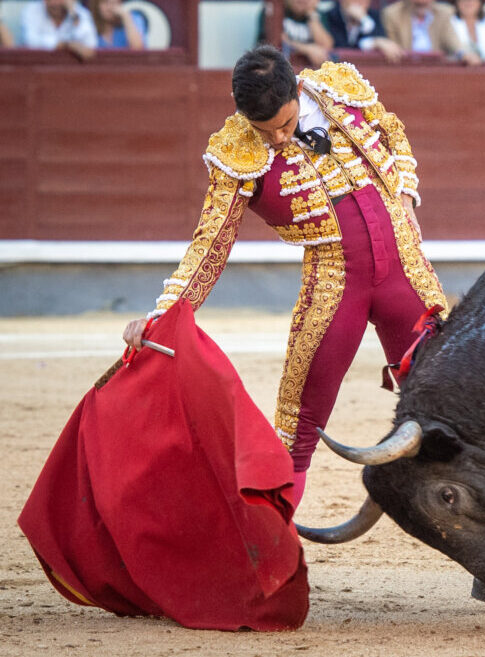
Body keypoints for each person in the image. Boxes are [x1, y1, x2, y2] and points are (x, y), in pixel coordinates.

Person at [121, 45, 449, 507]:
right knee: (297, 427)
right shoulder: (234, 150)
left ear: (296, 91)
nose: (276, 140)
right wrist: (163, 314)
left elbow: (392, 131)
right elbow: (211, 243)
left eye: (285, 125)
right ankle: (272, 557)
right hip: (334, 285)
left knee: (452, 408)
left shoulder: (339, 88)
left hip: (407, 273)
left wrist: (407, 196)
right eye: (264, 130)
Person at [382, 0, 475, 61]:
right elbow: (392, 47)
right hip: (405, 69)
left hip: (435, 70)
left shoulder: (443, 13)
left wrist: (464, 54)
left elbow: (453, 42)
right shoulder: (393, 14)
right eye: (418, 3)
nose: (422, 3)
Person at [322, 0, 405, 63]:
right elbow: (341, 48)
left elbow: (380, 39)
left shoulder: (374, 16)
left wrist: (365, 20)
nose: (361, 2)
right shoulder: (329, 16)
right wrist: (365, 21)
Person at [258, 0, 334, 67]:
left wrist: (311, 14)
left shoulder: (318, 14)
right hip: (278, 68)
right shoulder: (275, 10)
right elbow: (277, 41)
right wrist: (307, 49)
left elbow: (326, 46)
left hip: (309, 72)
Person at [20, 0, 97, 59]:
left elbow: (90, 44)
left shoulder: (79, 13)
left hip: (71, 72)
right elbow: (30, 41)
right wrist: (66, 45)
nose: (54, 3)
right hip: (37, 69)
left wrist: (73, 15)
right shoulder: (32, 10)